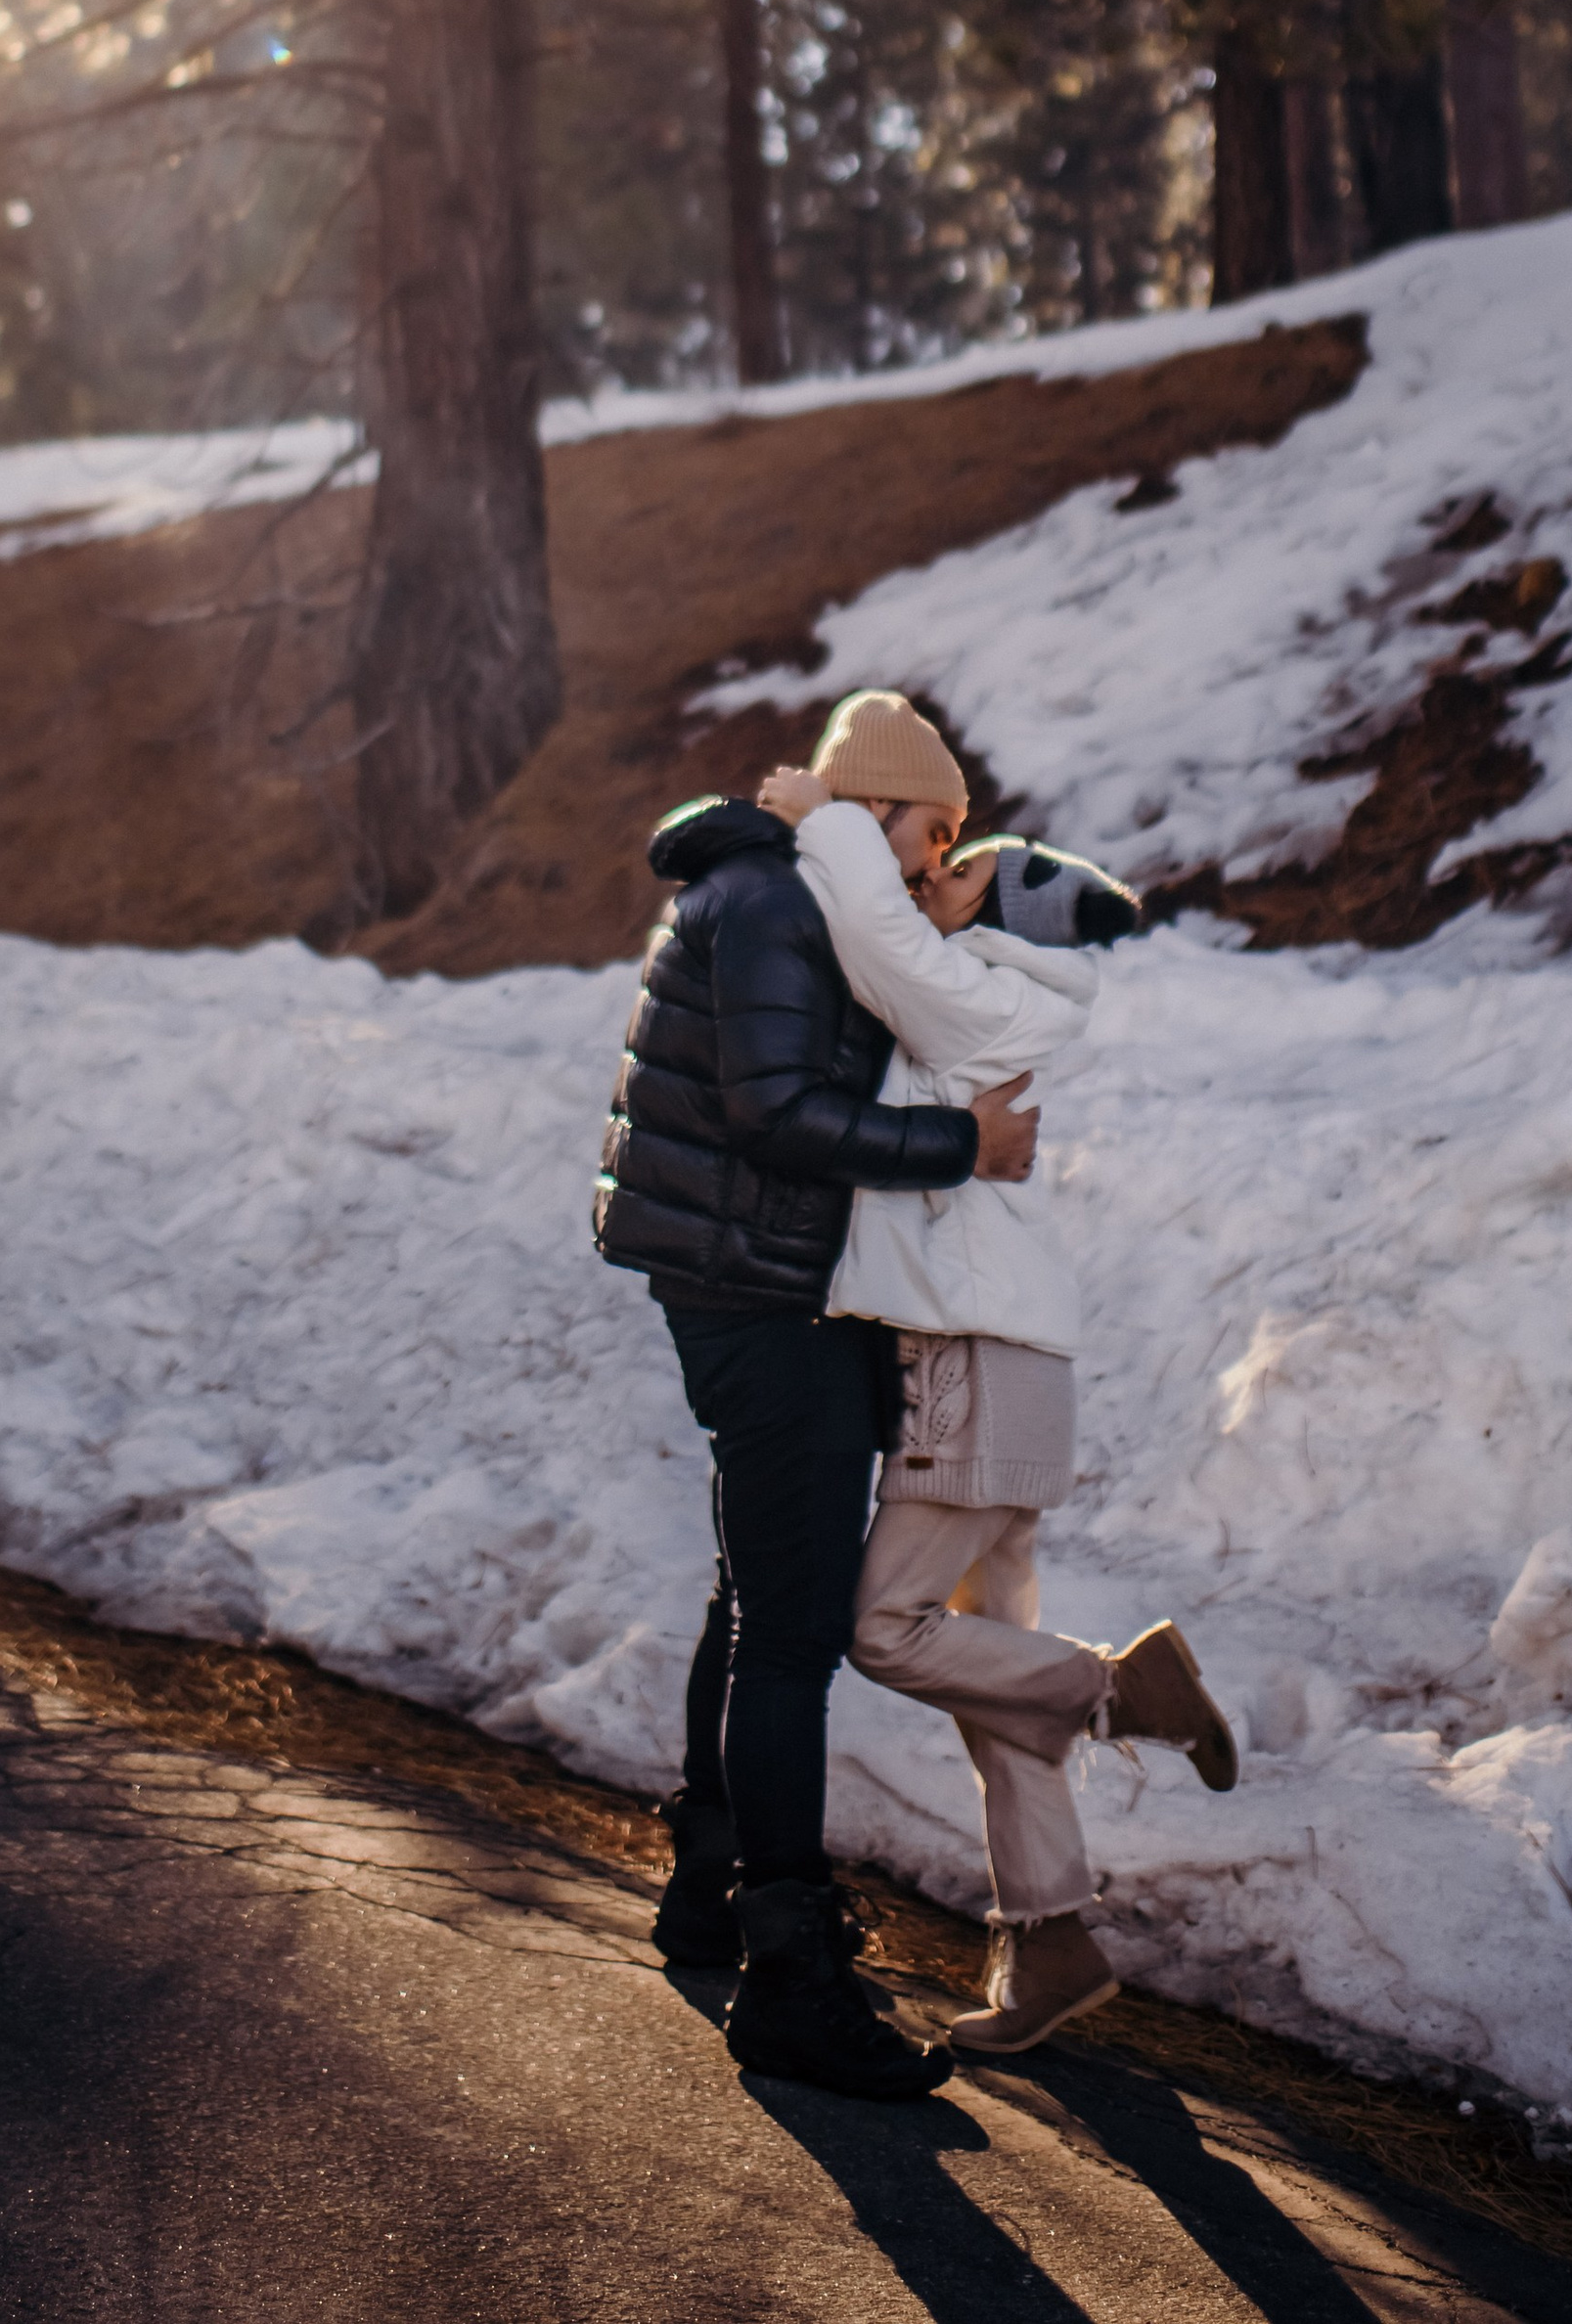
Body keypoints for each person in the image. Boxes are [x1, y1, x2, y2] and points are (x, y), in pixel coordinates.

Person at [755, 738, 1239, 2060]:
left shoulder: (990, 996)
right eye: (933, 842)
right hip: (995, 1362)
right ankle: (1053, 1942)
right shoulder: (980, 990)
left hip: (973, 1359)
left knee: (890, 1632)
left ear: (1003, 900)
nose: (939, 871)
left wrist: (824, 817)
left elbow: (871, 926)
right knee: (994, 1687)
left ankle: (1125, 1692)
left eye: (959, 854)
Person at [592, 690, 1040, 2099]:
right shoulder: (778, 901)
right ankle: (789, 1981)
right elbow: (774, 1111)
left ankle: (712, 1891)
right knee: (791, 1633)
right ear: (876, 807)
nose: (933, 859)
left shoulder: (796, 888)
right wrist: (961, 1143)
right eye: (929, 829)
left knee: (755, 1594)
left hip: (771, 1284)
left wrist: (942, 934)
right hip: (761, 1293)